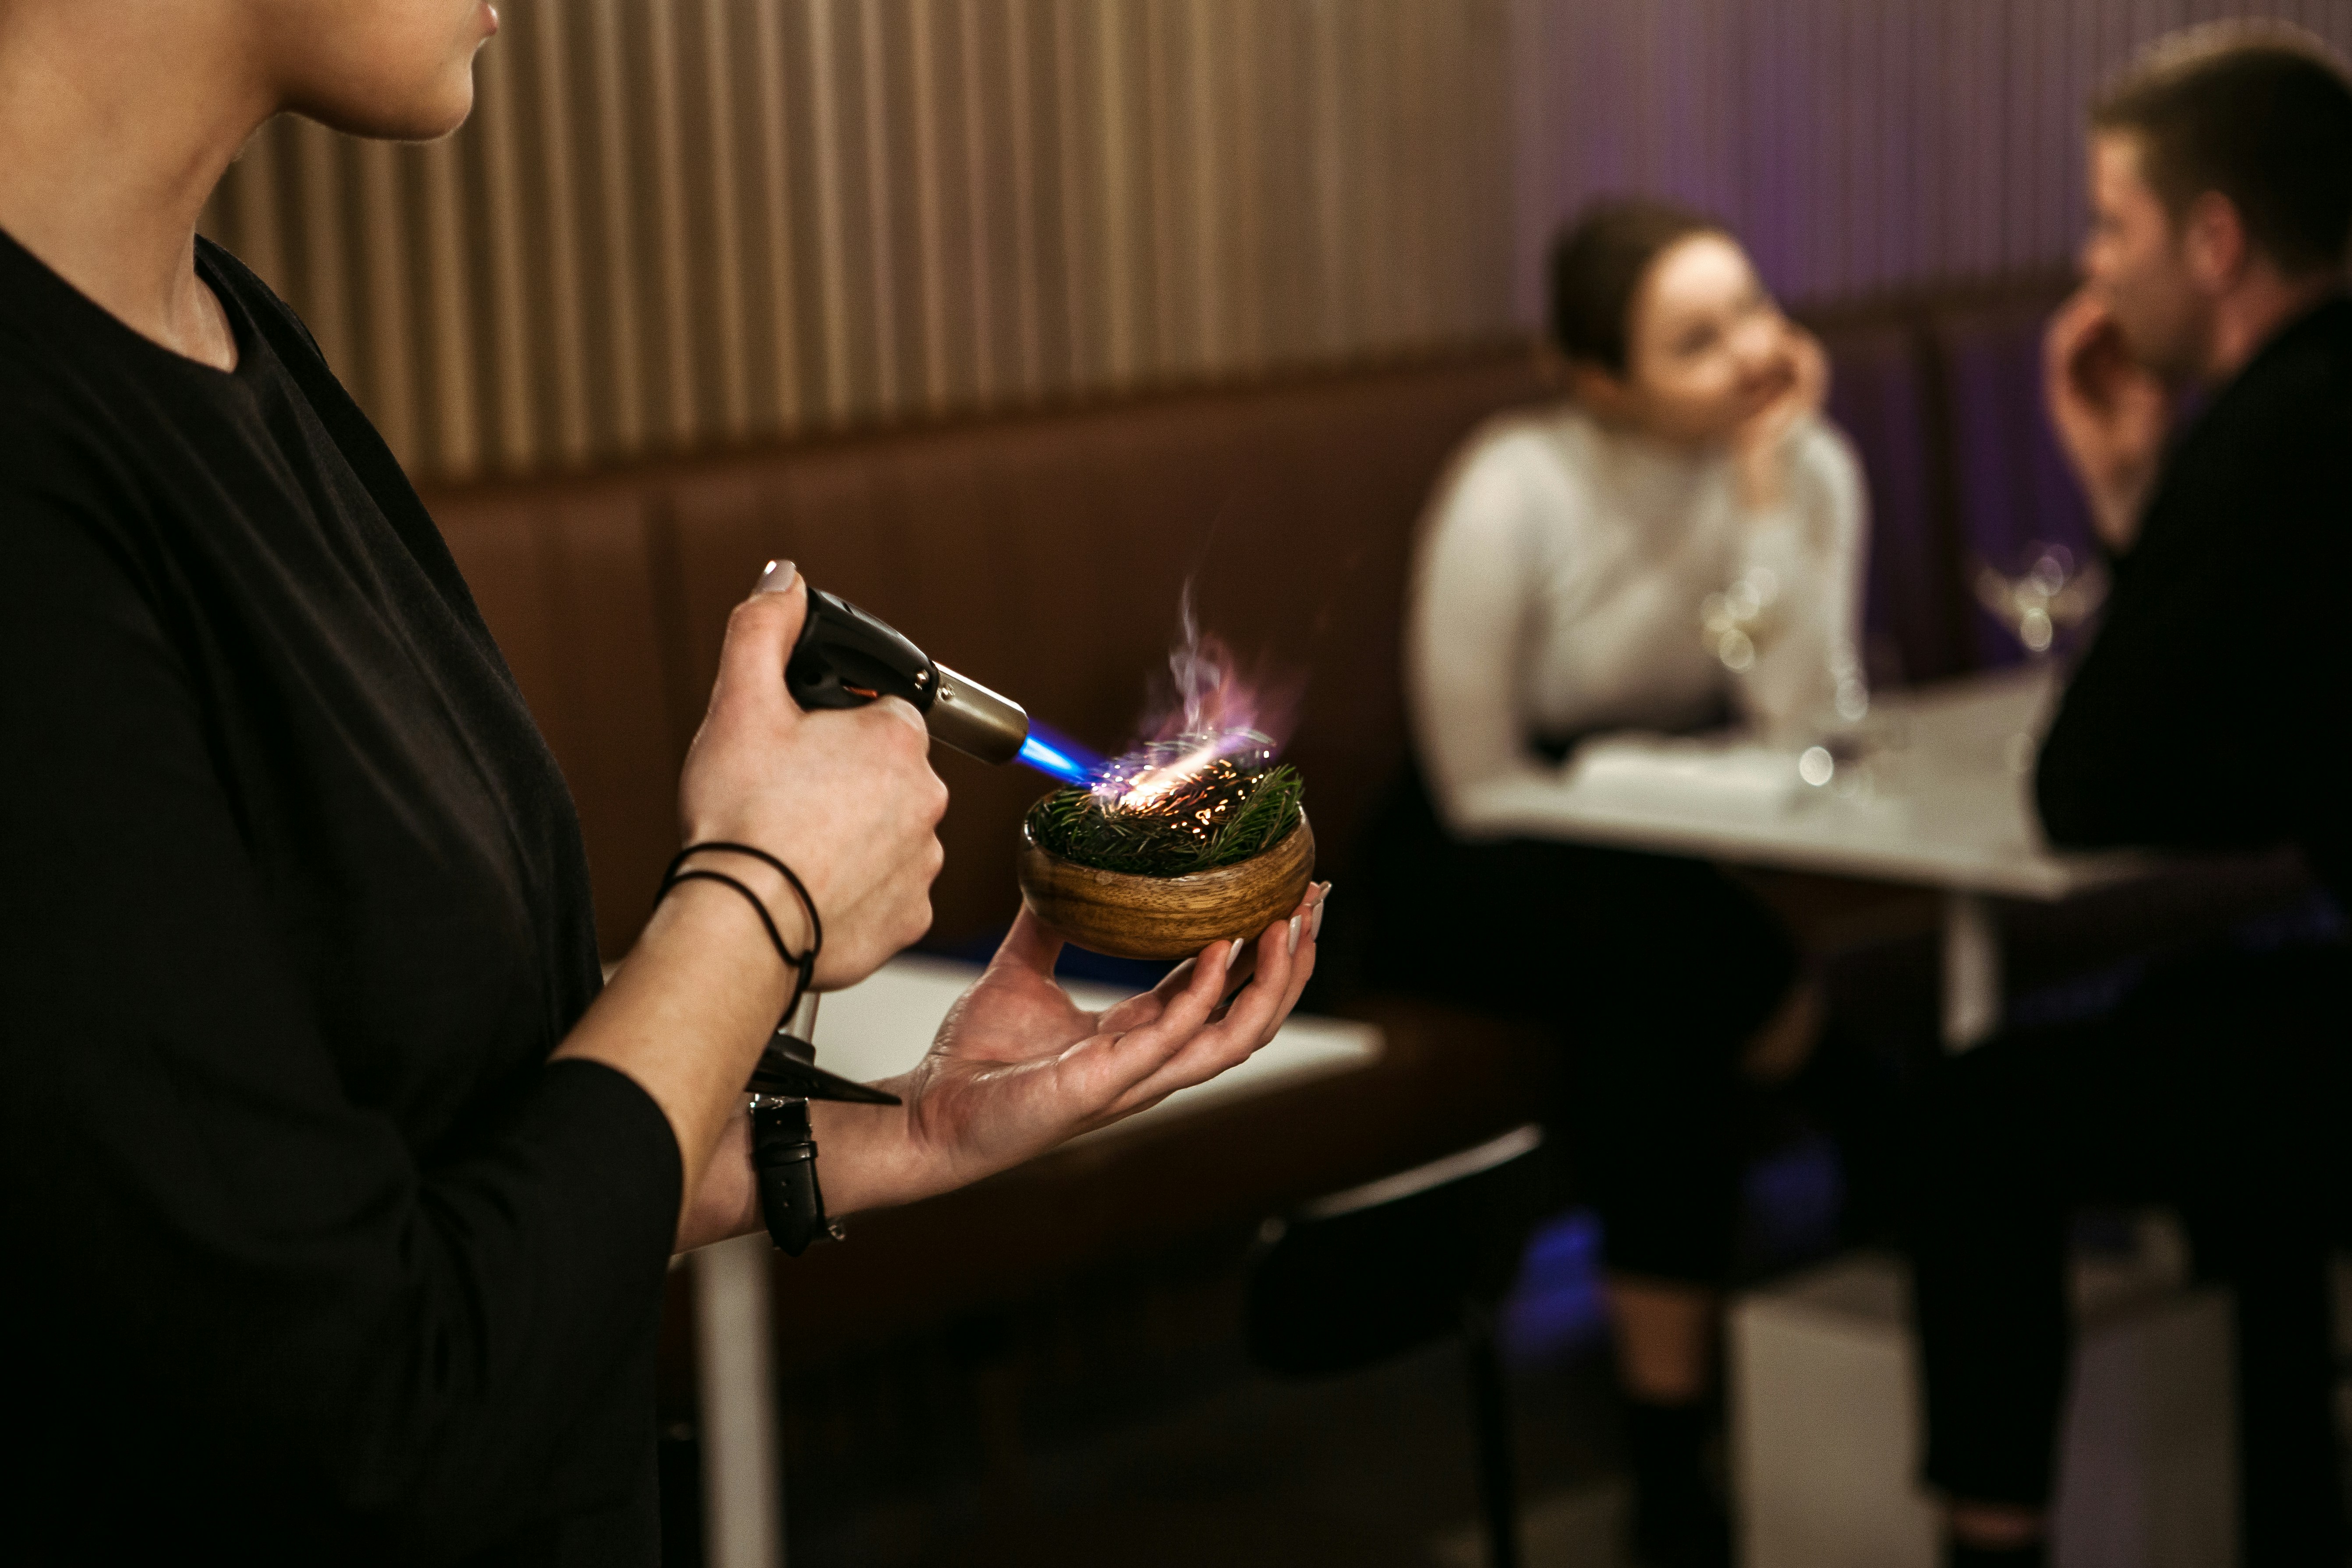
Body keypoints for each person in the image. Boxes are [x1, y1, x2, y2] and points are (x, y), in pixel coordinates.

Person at [0, 5, 1323, 1562]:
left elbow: (468, 1173)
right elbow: (362, 1413)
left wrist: (912, 1129)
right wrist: (761, 895)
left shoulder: (228, 334)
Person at [1364, 198, 1880, 1568]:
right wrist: (1629, 808)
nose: (1755, 354)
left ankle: (1670, 1468)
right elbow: (1472, 780)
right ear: (1599, 380)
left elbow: (1801, 718)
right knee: (1670, 953)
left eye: (1756, 313)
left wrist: (1770, 495)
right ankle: (1854, 1089)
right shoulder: (1514, 481)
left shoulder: (1808, 465)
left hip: (1648, 867)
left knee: (1652, 1003)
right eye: (1697, 341)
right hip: (1461, 859)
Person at [1908, 25, 2352, 1568]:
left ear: (2215, 241)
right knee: (2220, 1005)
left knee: (1972, 1119)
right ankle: (2290, 1497)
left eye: (2112, 225)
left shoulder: (2279, 433)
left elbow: (2094, 786)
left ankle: (1995, 1550)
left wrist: (2132, 500)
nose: (2091, 272)